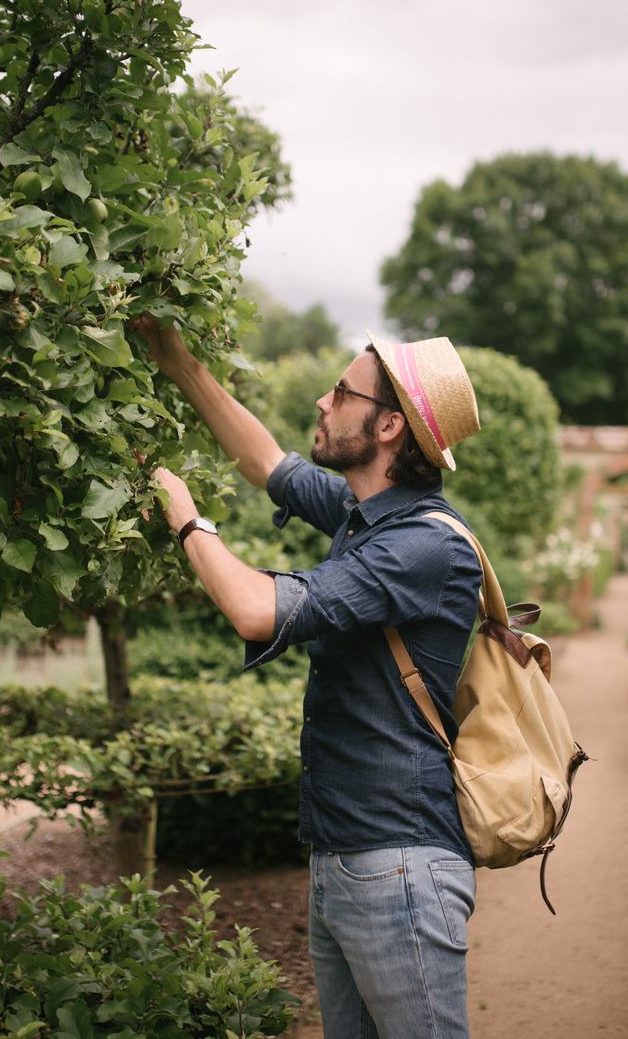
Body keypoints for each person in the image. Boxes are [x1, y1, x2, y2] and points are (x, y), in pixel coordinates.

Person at [129, 312, 485, 1039]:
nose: (324, 403)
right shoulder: (371, 516)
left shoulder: (421, 547)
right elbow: (270, 464)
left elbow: (257, 610)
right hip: (348, 859)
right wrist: (180, 362)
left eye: (341, 392)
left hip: (398, 867)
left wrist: (188, 519)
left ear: (388, 427)